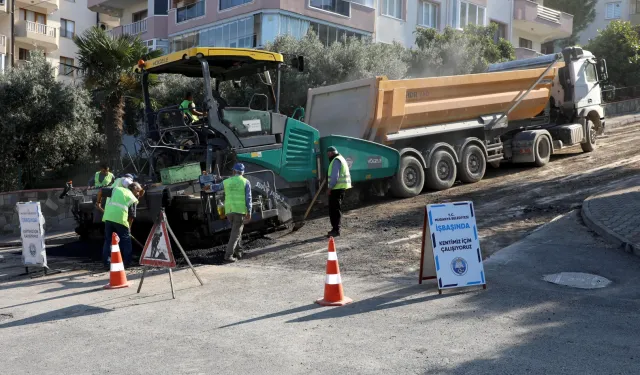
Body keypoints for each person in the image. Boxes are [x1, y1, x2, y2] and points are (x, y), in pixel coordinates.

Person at [204, 163, 252, 263]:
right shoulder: (245, 182)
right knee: (235, 234)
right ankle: (228, 255)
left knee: (236, 232)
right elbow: (248, 198)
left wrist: (209, 187)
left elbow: (217, 187)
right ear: (242, 172)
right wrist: (249, 211)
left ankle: (238, 252)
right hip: (239, 211)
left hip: (229, 211)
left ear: (234, 171)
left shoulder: (227, 181)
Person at [96, 182, 144, 269]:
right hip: (120, 219)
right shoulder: (132, 198)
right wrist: (129, 228)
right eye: (138, 191)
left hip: (108, 218)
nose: (138, 194)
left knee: (108, 241)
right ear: (134, 189)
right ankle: (127, 263)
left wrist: (98, 202)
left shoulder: (116, 189)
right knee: (126, 241)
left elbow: (101, 191)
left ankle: (107, 264)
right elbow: (131, 216)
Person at [326, 146, 352, 237]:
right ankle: (335, 229)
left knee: (334, 210)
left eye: (328, 154)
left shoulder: (336, 160)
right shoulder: (340, 158)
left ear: (330, 153)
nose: (327, 156)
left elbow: (335, 176)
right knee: (335, 209)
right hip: (339, 188)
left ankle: (336, 230)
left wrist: (330, 188)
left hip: (336, 189)